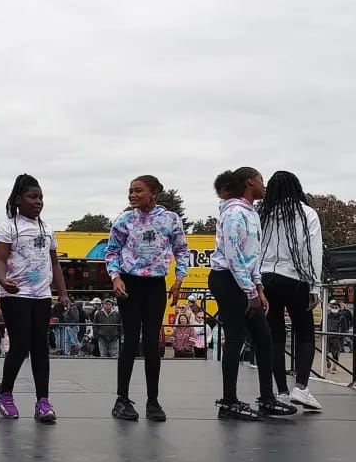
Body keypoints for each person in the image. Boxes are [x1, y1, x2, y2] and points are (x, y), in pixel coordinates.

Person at [208, 168, 297, 420]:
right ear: (250, 182)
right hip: (227, 279)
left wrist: (258, 286)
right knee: (235, 338)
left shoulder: (251, 213)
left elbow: (251, 255)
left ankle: (267, 397)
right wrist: (250, 290)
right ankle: (229, 402)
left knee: (264, 337)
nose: (263, 185)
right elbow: (233, 253)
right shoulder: (235, 212)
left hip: (244, 280)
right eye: (260, 180)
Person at [105, 175, 190, 422]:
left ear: (153, 193)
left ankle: (153, 400)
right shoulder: (124, 219)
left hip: (155, 284)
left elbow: (181, 250)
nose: (132, 195)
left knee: (153, 342)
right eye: (130, 190)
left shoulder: (170, 219)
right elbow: (112, 251)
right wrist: (115, 278)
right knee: (130, 340)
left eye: (138, 190)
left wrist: (179, 279)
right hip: (130, 284)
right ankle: (121, 399)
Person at [0, 174, 70, 422]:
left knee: (40, 348)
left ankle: (43, 401)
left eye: (41, 198)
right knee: (21, 344)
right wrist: (3, 280)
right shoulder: (9, 227)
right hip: (16, 295)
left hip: (41, 295)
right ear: (18, 200)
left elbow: (54, 264)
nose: (38, 202)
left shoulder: (46, 229)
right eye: (32, 197)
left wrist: (63, 292)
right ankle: (5, 393)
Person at [259, 170, 324, 411]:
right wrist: (315, 285)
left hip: (266, 278)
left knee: (275, 336)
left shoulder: (263, 214)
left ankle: (282, 391)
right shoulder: (307, 213)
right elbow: (314, 251)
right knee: (305, 334)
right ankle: (302, 388)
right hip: (296, 278)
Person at [325, 300, 346, 373]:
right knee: (325, 353)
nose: (334, 308)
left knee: (335, 353)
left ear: (339, 308)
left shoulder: (342, 318)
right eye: (333, 307)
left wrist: (340, 338)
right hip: (326, 337)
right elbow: (322, 324)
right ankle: (328, 363)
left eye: (336, 307)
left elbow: (344, 329)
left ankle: (334, 367)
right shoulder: (327, 315)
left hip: (336, 338)